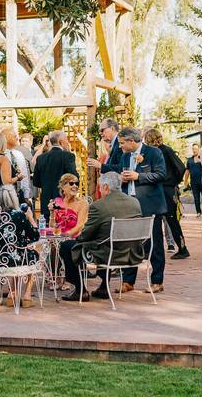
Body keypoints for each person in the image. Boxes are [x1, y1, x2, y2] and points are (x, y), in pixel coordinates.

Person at [58, 172, 143, 301]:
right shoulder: (135, 202)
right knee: (103, 241)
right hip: (133, 252)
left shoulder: (99, 206)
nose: (99, 190)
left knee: (68, 246)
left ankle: (80, 290)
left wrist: (74, 238)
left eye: (100, 187)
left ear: (106, 187)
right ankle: (104, 287)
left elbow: (86, 234)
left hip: (110, 253)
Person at [115, 126, 168, 294]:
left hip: (150, 205)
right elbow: (122, 176)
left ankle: (157, 281)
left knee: (154, 243)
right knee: (129, 243)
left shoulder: (154, 153)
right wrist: (121, 179)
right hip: (129, 205)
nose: (120, 146)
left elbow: (161, 174)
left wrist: (139, 176)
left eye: (122, 143)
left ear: (132, 141)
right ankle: (128, 280)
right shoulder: (124, 156)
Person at [0, 186, 40, 308]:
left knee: (16, 253)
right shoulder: (18, 215)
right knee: (34, 251)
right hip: (15, 259)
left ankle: (12, 294)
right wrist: (30, 218)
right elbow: (35, 236)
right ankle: (27, 295)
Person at [144, 129, 189, 260]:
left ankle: (182, 248)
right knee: (164, 219)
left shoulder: (165, 150)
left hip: (167, 190)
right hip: (162, 189)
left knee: (171, 219)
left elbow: (181, 167)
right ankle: (152, 248)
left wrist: (172, 182)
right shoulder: (157, 151)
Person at [33, 130, 78, 224]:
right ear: (61, 142)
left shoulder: (41, 158)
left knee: (47, 227)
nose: (67, 142)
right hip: (64, 199)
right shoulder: (68, 156)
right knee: (64, 228)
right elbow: (74, 178)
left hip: (46, 199)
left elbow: (36, 182)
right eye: (66, 140)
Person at [48, 173, 89, 238]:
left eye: (77, 184)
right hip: (58, 239)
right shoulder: (57, 202)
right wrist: (52, 212)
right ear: (63, 187)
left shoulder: (82, 204)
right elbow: (52, 226)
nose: (75, 186)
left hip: (74, 240)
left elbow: (80, 226)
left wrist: (65, 236)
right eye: (71, 183)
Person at [3, 127, 32, 211]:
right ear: (6, 138)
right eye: (14, 136)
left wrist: (26, 195)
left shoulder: (19, 154)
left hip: (20, 194)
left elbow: (25, 175)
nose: (17, 138)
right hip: (6, 195)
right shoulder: (1, 156)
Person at [185, 143, 202, 217]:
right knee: (196, 198)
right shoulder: (189, 160)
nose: (194, 150)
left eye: (196, 149)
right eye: (193, 149)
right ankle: (198, 212)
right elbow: (187, 171)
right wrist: (185, 181)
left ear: (199, 149)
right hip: (194, 182)